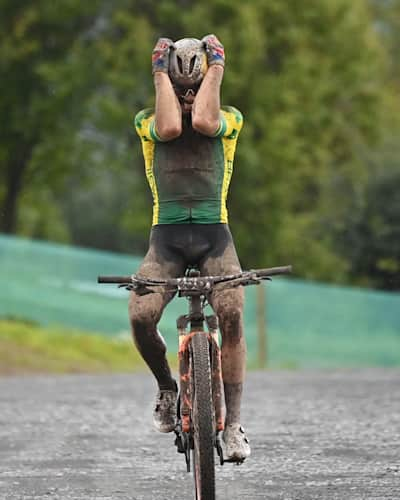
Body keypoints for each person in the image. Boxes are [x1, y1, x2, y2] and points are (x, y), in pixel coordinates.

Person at [130, 34, 250, 462]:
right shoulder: (148, 119)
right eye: (179, 90)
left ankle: (233, 424)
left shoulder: (229, 117)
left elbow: (201, 122)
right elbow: (169, 128)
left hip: (215, 237)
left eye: (192, 89)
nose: (186, 98)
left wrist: (214, 68)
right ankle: (166, 387)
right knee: (141, 315)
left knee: (232, 311)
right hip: (166, 241)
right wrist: (161, 73)